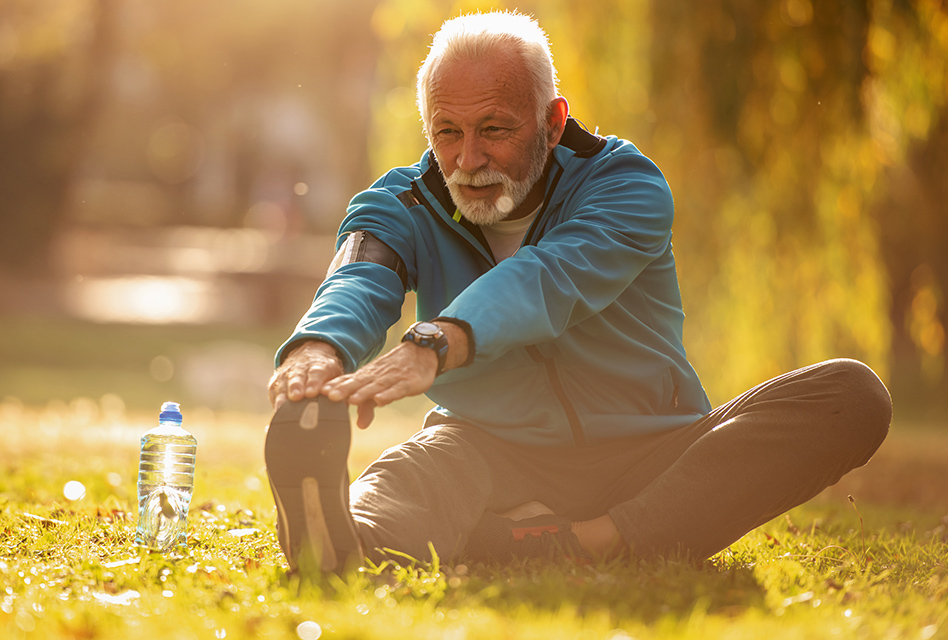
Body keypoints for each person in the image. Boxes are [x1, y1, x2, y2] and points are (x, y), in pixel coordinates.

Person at [263, 11, 891, 573]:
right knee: (422, 468)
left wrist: (435, 340)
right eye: (446, 131)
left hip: (650, 452)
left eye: (494, 129)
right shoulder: (401, 200)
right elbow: (359, 275)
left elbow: (549, 277)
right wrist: (317, 348)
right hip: (492, 446)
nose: (467, 159)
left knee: (853, 394)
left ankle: (578, 540)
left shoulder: (627, 185)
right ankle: (349, 540)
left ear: (553, 121)